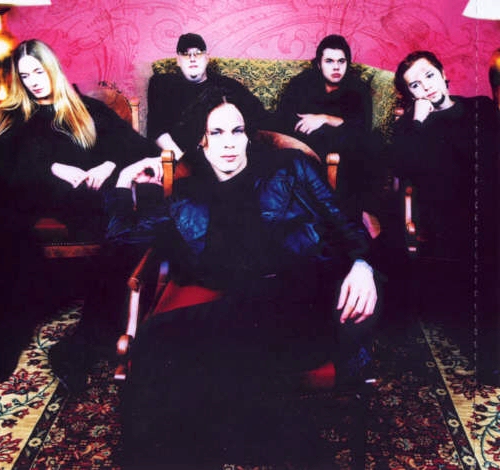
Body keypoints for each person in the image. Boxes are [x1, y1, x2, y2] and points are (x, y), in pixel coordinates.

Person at [107, 88, 380, 464]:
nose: (229, 143)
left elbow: (346, 222)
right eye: (217, 133)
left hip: (303, 298)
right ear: (202, 142)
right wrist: (124, 180)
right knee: (157, 339)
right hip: (245, 310)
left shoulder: (290, 168)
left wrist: (362, 265)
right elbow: (122, 237)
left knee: (192, 356)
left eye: (237, 131)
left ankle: (289, 452)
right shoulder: (187, 198)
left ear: (248, 135)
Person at [0, 39, 160, 386]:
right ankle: (6, 337)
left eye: (38, 71)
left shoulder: (85, 108)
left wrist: (108, 164)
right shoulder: (14, 115)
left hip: (83, 201)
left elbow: (137, 147)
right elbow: (2, 165)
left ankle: (82, 346)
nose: (34, 81)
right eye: (25, 76)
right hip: (29, 199)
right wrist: (52, 168)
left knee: (128, 230)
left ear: (53, 69)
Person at [391, 50, 499, 385]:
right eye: (415, 85)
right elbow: (404, 168)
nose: (425, 86)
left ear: (443, 73)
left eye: (429, 75)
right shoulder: (412, 127)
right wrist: (419, 120)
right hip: (452, 216)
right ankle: (491, 358)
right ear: (410, 94)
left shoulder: (481, 108)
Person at [276, 34, 382, 227]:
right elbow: (286, 119)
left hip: (347, 147)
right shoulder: (302, 84)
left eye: (341, 61)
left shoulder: (357, 89)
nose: (336, 67)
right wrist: (335, 125)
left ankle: (355, 216)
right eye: (329, 61)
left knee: (368, 142)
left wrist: (324, 119)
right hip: (308, 143)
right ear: (319, 64)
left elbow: (362, 127)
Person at [146, 32, 269, 161]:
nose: (192, 58)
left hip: (224, 158)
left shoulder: (227, 85)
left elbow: (260, 117)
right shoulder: (163, 85)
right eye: (186, 54)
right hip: (181, 159)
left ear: (207, 58)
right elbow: (156, 130)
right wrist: (183, 163)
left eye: (198, 53)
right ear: (178, 60)